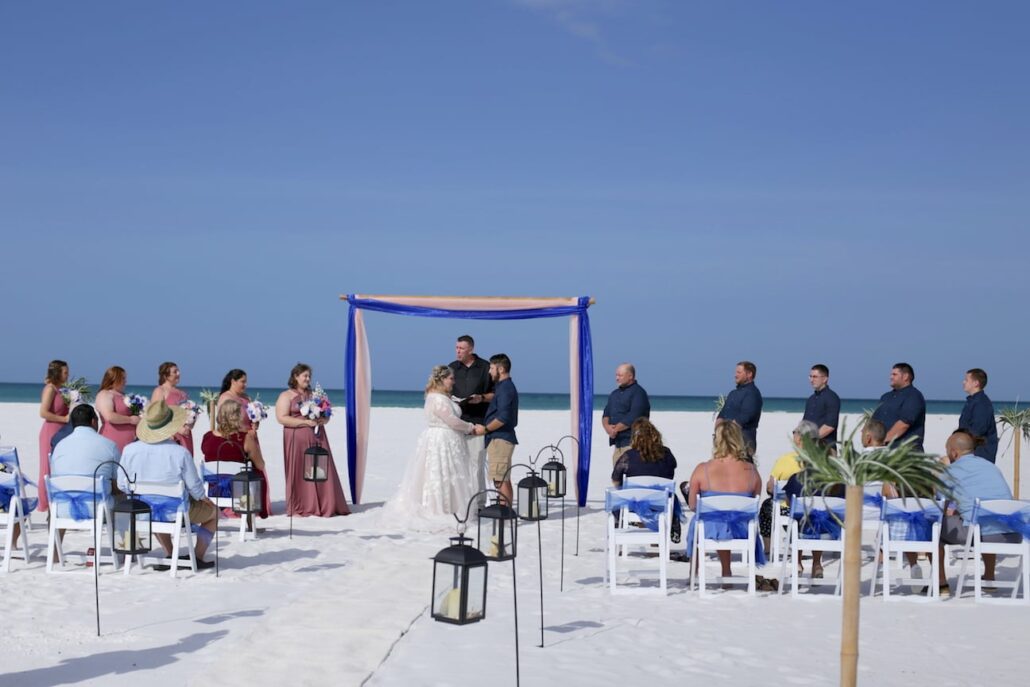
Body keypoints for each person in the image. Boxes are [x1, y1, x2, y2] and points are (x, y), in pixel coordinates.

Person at [118, 401, 217, 569]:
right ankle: (198, 556)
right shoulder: (180, 452)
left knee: (155, 507)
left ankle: (170, 553)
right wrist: (204, 499)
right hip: (176, 511)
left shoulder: (130, 450)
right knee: (214, 514)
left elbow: (122, 484)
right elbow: (194, 486)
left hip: (142, 510)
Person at [385, 365, 486, 523]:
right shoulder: (437, 399)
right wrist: (471, 428)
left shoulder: (441, 397)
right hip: (441, 441)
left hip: (445, 439)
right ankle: (439, 508)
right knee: (441, 473)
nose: (454, 382)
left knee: (448, 474)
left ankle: (449, 506)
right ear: (443, 379)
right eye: (451, 379)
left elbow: (451, 410)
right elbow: (451, 420)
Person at [935, 430, 1019, 596]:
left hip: (979, 533)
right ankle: (989, 577)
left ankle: (941, 584)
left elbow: (940, 501)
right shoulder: (991, 467)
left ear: (954, 452)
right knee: (987, 519)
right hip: (1012, 533)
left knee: (933, 528)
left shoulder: (951, 470)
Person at [684, 422, 764, 578]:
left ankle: (694, 571)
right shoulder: (752, 471)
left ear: (717, 441)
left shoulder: (703, 469)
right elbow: (754, 504)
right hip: (742, 529)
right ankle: (726, 571)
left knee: (702, 520)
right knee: (725, 518)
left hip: (709, 527)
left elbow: (693, 505)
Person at [276, 363, 350, 517]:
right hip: (296, 439)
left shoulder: (315, 395)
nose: (308, 379)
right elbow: (282, 418)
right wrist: (305, 423)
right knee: (300, 469)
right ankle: (303, 504)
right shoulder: (286, 396)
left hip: (318, 436)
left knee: (322, 468)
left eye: (309, 376)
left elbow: (326, 414)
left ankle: (326, 503)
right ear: (296, 377)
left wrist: (324, 419)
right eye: (305, 376)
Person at [611, 417, 680, 542]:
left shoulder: (628, 456)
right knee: (670, 495)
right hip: (660, 502)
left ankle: (622, 525)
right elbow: (670, 475)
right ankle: (669, 526)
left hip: (634, 503)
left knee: (619, 498)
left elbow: (615, 479)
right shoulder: (667, 454)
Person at [201, 399, 271, 519]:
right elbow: (260, 465)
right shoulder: (245, 438)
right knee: (256, 471)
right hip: (237, 490)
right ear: (238, 417)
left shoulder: (208, 437)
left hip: (212, 488)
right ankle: (257, 513)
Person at [760, 420, 818, 552]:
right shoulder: (821, 460)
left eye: (794, 432)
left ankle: (768, 549)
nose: (793, 435)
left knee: (766, 507)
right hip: (816, 510)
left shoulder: (785, 460)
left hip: (788, 510)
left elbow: (770, 487)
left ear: (800, 439)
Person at [449, 335, 494, 499]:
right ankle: (461, 501)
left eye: (461, 348)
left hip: (478, 424)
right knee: (457, 466)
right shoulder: (452, 367)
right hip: (456, 424)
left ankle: (479, 503)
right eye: (456, 348)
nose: (457, 351)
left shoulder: (485, 367)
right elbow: (446, 391)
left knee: (476, 465)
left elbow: (496, 394)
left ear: (471, 349)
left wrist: (481, 398)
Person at [482, 354, 519, 506]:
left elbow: (503, 417)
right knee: (502, 477)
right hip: (500, 438)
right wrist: (482, 398)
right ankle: (505, 511)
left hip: (500, 438)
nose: (489, 372)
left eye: (491, 368)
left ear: (501, 369)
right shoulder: (503, 387)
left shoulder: (505, 388)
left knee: (500, 479)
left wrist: (484, 429)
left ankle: (505, 513)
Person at [50, 404, 120, 485]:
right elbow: (117, 482)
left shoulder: (59, 446)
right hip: (96, 497)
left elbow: (54, 478)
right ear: (93, 421)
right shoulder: (110, 446)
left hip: (64, 496)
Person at [37, 359, 70, 512]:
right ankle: (46, 505)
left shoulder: (62, 389)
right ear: (57, 373)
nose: (68, 375)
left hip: (63, 432)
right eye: (65, 372)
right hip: (51, 431)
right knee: (47, 468)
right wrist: (64, 419)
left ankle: (59, 504)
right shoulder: (50, 389)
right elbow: (43, 412)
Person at [602, 363, 651, 465]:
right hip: (618, 444)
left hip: (633, 444)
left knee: (632, 476)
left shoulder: (639, 393)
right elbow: (606, 414)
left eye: (620, 375)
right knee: (616, 477)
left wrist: (615, 429)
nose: (617, 378)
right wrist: (607, 427)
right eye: (616, 375)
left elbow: (634, 416)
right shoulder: (614, 394)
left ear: (630, 376)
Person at [218, 368, 266, 471]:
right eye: (242, 382)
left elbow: (252, 417)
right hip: (236, 439)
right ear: (233, 381)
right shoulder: (225, 398)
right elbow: (223, 422)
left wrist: (255, 424)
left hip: (251, 437)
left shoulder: (246, 397)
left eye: (246, 382)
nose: (245, 385)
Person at [871, 362, 926, 452]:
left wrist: (883, 440)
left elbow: (904, 424)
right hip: (883, 451)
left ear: (905, 377)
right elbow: (874, 422)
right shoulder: (885, 397)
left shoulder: (914, 396)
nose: (891, 377)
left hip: (906, 453)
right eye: (891, 374)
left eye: (895, 374)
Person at [716, 361, 763, 457]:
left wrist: (726, 431)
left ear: (749, 374)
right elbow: (723, 413)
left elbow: (745, 417)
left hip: (743, 443)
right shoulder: (733, 393)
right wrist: (718, 426)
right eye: (735, 372)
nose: (735, 375)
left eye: (739, 372)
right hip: (725, 442)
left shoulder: (752, 394)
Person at [611, 418, 677, 486]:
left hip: (635, 495)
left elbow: (616, 480)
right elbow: (671, 472)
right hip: (661, 495)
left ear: (635, 437)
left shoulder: (628, 456)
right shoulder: (666, 453)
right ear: (655, 435)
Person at [151, 362, 196, 456]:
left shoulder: (183, 393)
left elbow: (191, 414)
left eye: (178, 371)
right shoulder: (160, 391)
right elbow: (155, 417)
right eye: (175, 372)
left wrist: (189, 426)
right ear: (166, 376)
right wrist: (178, 429)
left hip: (185, 436)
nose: (179, 374)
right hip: (169, 436)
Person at [95, 366, 141, 455]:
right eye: (123, 378)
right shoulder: (104, 394)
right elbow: (109, 416)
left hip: (131, 442)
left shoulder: (126, 396)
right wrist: (131, 420)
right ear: (115, 378)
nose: (125, 381)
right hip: (113, 440)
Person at [958, 368, 999, 463]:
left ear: (976, 383)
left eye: (966, 380)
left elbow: (977, 431)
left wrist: (959, 442)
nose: (963, 382)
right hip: (970, 453)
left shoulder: (981, 403)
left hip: (979, 455)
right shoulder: (973, 401)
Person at [802, 364, 840, 448]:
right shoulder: (811, 399)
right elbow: (804, 423)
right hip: (809, 447)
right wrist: (797, 434)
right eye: (810, 376)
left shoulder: (832, 397)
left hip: (825, 448)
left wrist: (811, 439)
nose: (811, 380)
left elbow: (830, 426)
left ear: (825, 379)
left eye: (815, 377)